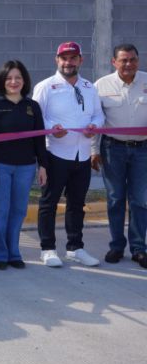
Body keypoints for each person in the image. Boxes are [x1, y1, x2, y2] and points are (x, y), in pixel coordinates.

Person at [33, 41, 104, 268]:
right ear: (57, 60)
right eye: (64, 58)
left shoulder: (89, 87)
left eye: (73, 58)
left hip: (81, 155)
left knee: (76, 203)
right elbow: (36, 117)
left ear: (80, 61)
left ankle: (75, 247)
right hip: (56, 153)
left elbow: (99, 115)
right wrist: (53, 127)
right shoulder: (45, 87)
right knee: (49, 203)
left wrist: (94, 125)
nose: (68, 62)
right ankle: (47, 248)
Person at [0, 60, 48, 270]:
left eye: (18, 78)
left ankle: (14, 252)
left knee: (19, 211)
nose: (13, 82)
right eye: (9, 78)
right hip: (1, 167)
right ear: (3, 81)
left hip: (26, 167)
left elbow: (39, 140)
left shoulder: (32, 107)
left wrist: (43, 166)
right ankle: (0, 254)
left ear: (24, 81)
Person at [91, 43, 147, 268]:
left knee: (140, 200)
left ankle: (139, 248)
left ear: (138, 61)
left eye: (132, 59)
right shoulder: (101, 86)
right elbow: (95, 121)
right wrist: (93, 151)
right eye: (123, 60)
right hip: (113, 149)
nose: (128, 64)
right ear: (113, 62)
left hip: (143, 150)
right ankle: (116, 246)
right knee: (115, 198)